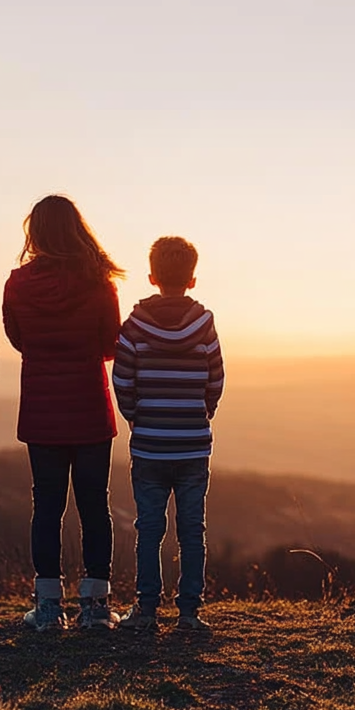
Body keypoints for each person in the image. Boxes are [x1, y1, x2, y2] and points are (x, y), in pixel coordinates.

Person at [2, 195, 124, 631]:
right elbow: (113, 343)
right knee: (95, 506)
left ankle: (49, 608)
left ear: (34, 233)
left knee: (46, 507)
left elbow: (17, 338)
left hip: (41, 409)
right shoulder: (99, 283)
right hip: (90, 406)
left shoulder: (17, 284)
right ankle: (95, 608)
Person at [112, 236, 224, 631]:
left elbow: (122, 379)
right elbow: (216, 379)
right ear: (192, 279)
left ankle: (145, 610)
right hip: (192, 444)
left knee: (149, 528)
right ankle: (189, 612)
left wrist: (136, 418)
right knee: (192, 530)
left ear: (152, 276)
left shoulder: (134, 325)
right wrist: (201, 414)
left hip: (149, 446)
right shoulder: (204, 324)